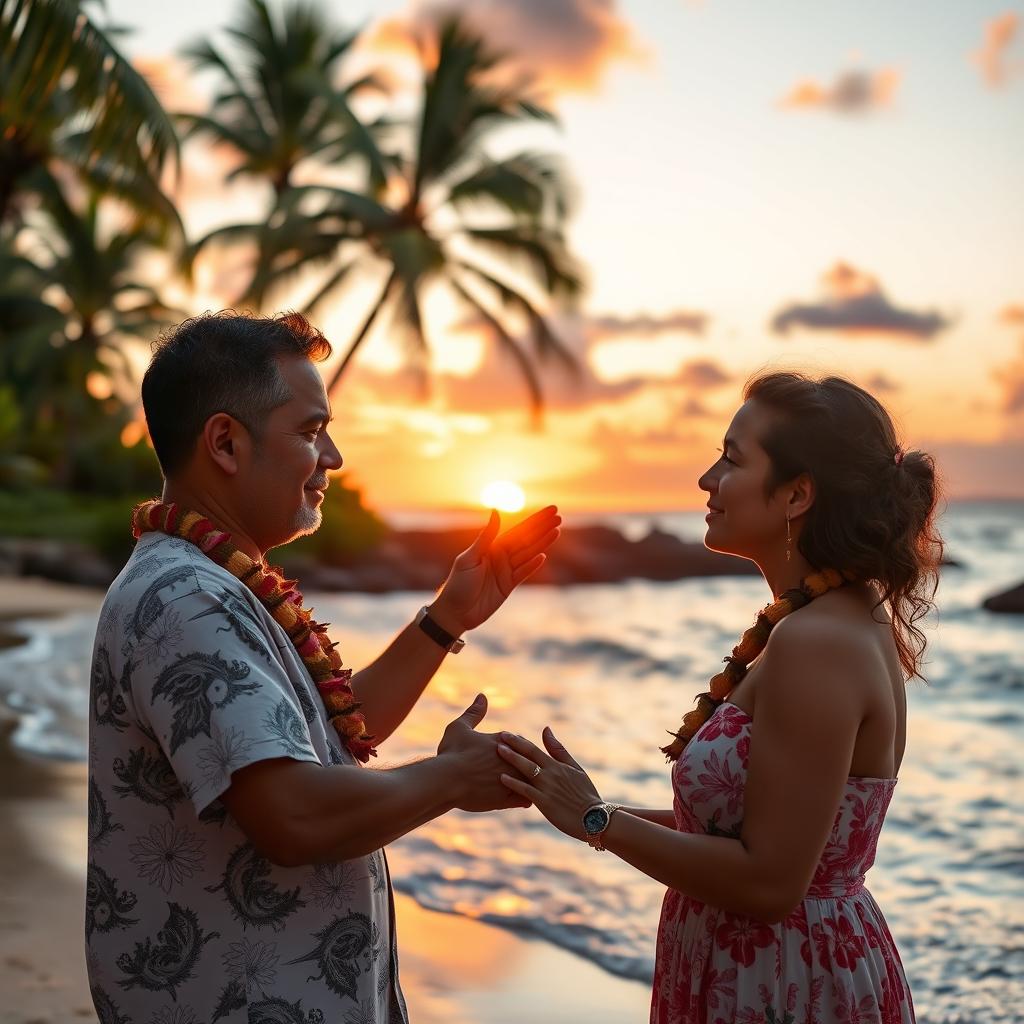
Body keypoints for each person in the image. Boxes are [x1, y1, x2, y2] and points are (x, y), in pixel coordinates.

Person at [85, 311, 560, 1024]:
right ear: (225, 443)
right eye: (310, 432)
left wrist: (445, 618)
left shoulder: (212, 583)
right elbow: (293, 814)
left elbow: (327, 736)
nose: (332, 458)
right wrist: (452, 778)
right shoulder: (186, 597)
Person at [497, 371, 942, 1023]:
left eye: (732, 460)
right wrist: (578, 801)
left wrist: (596, 822)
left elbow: (768, 884)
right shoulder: (830, 618)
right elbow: (753, 831)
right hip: (770, 964)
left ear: (797, 494)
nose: (707, 480)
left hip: (786, 980)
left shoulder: (816, 640)